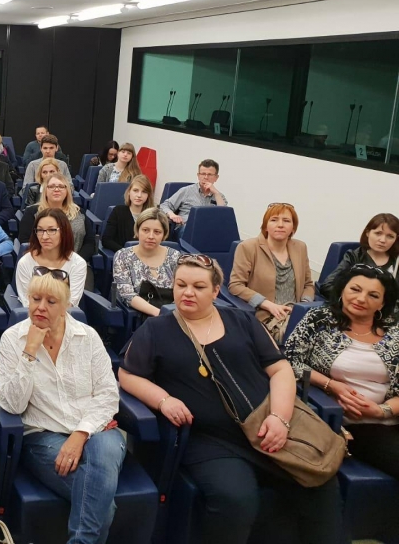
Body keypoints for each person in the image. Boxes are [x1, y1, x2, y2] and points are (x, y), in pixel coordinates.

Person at [119, 255, 342, 544]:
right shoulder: (156, 329)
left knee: (319, 481)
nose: (187, 292)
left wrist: (279, 417)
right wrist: (163, 400)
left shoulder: (242, 320)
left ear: (216, 291)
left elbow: (280, 369)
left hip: (265, 425)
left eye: (199, 286)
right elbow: (128, 375)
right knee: (236, 499)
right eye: (181, 285)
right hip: (208, 439)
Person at [0, 273, 125, 544]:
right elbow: (12, 405)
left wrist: (81, 433)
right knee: (102, 504)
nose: (40, 307)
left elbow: (108, 394)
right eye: (35, 299)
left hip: (96, 429)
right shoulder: (12, 339)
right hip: (43, 435)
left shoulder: (87, 337)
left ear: (67, 305)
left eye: (51, 301)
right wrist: (29, 352)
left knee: (105, 453)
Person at [284, 264, 399, 479]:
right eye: (355, 289)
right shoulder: (320, 320)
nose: (361, 299)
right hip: (356, 425)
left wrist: (382, 410)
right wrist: (331, 385)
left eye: (373, 295)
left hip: (390, 417)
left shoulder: (394, 332)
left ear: (382, 303)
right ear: (343, 289)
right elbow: (289, 361)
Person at [229, 203, 316, 339]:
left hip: (296, 316)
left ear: (293, 228)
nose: (280, 225)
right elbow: (235, 285)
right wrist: (267, 304)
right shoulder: (248, 247)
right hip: (266, 318)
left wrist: (303, 307)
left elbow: (308, 285)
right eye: (274, 220)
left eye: (286, 221)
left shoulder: (300, 247)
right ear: (265, 226)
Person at [112, 208, 180, 318]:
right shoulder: (122, 256)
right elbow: (127, 294)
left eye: (157, 232)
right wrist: (161, 314)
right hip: (143, 315)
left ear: (164, 234)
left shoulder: (175, 256)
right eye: (145, 230)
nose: (151, 236)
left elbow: (182, 290)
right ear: (137, 231)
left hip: (174, 313)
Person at [16, 208, 87, 306]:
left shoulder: (78, 264)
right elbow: (27, 302)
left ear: (64, 232)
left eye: (52, 230)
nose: (44, 237)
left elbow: (71, 303)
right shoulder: (25, 262)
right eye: (40, 230)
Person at [319, 213, 399, 298]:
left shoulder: (397, 261)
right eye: (378, 233)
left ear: (396, 239)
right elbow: (327, 286)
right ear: (368, 233)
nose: (383, 240)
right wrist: (354, 298)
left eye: (390, 236)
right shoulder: (353, 256)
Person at [19, 176, 88, 258]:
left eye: (61, 186)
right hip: (42, 260)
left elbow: (90, 242)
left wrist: (75, 260)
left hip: (76, 261)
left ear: (67, 191)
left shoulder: (79, 212)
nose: (56, 189)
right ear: (45, 191)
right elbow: (26, 241)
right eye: (51, 186)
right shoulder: (32, 212)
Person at [159, 159, 228, 232]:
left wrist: (216, 193)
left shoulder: (219, 196)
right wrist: (172, 215)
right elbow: (164, 205)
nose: (206, 177)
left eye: (210, 174)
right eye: (203, 174)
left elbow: (224, 216)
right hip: (187, 227)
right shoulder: (186, 191)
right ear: (198, 176)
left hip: (210, 229)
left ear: (216, 178)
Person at [102, 174, 155, 253]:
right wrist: (126, 252)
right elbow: (106, 240)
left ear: (148, 195)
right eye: (135, 190)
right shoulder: (118, 211)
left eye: (144, 192)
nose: (139, 195)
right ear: (129, 192)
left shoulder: (154, 216)